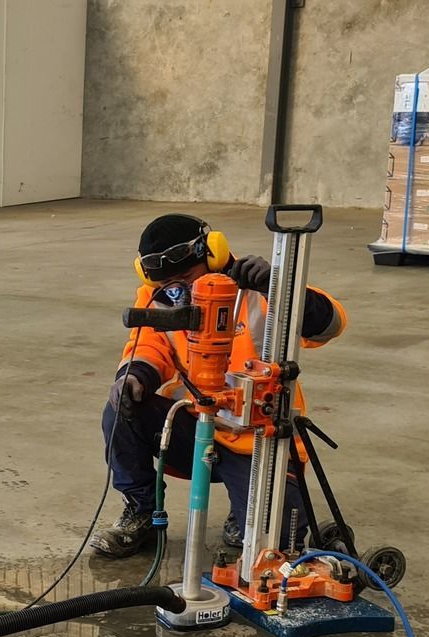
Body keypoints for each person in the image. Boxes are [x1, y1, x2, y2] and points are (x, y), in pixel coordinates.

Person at [90, 213, 348, 559]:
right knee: (121, 408)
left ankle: (245, 508)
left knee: (276, 542)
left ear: (212, 255)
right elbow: (148, 345)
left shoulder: (258, 288)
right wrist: (134, 375)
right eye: (168, 284)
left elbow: (330, 325)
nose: (178, 291)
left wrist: (279, 286)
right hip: (197, 427)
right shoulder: (158, 295)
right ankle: (141, 511)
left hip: (260, 437)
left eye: (186, 278)